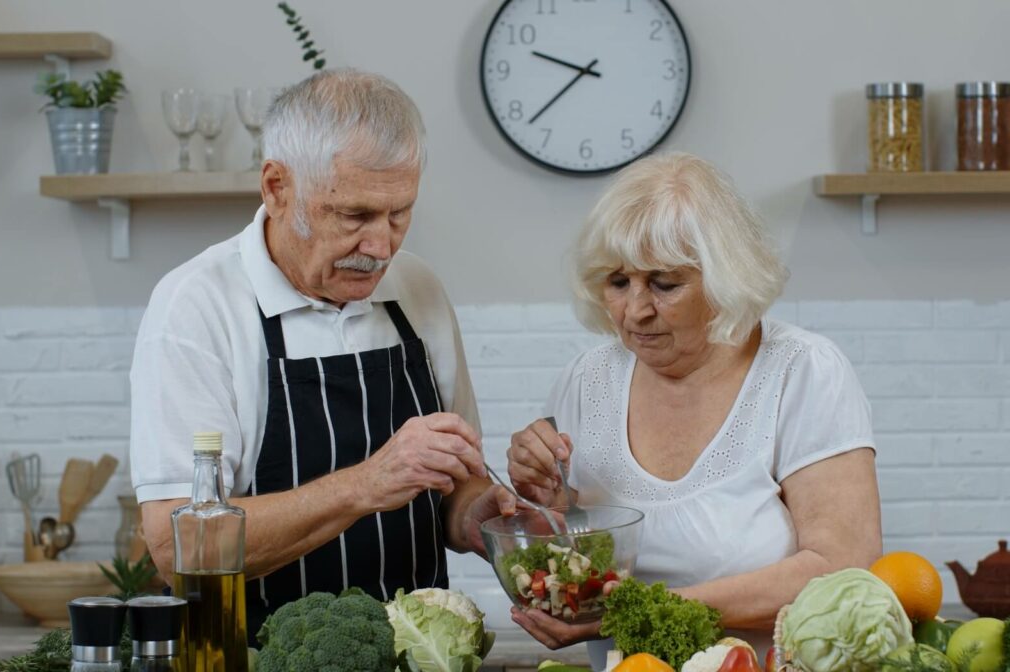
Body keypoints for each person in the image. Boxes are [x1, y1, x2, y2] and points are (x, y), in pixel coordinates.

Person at [129, 68, 514, 640]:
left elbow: (454, 486)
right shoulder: (197, 307)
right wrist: (365, 484)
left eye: (399, 213)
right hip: (254, 654)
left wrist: (484, 521)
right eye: (354, 215)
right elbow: (175, 547)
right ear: (277, 188)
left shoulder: (419, 291)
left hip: (416, 655)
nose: (381, 246)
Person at [505, 152, 881, 667]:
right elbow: (567, 563)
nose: (636, 310)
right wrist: (546, 500)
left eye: (664, 284)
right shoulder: (584, 380)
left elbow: (842, 565)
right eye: (618, 283)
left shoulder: (803, 371)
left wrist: (643, 611)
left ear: (726, 279)